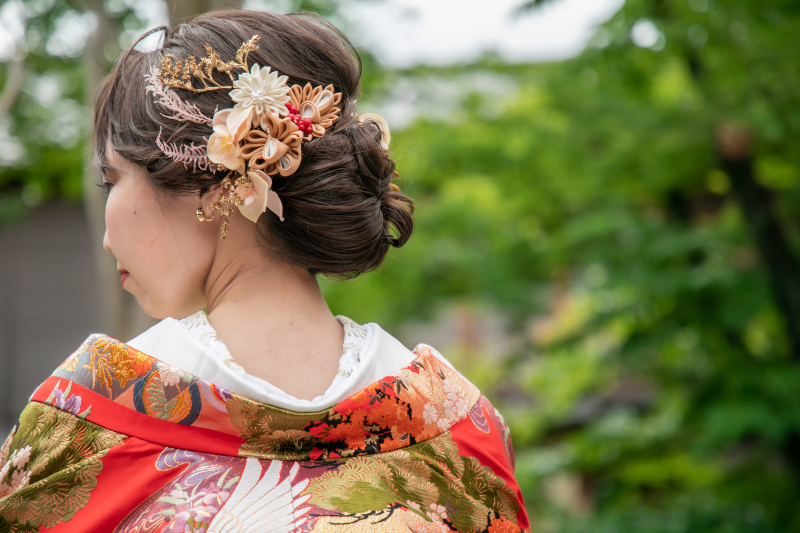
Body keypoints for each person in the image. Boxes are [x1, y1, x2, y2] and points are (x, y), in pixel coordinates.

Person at [0, 10, 529, 532]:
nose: (107, 234)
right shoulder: (458, 429)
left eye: (113, 179)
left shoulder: (83, 425)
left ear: (210, 184)